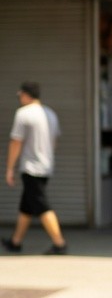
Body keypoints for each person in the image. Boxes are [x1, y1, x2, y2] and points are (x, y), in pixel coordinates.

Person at [3, 82, 67, 255]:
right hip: (46, 165)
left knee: (40, 204)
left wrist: (10, 168)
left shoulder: (23, 114)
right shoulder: (50, 113)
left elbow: (16, 142)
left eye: (20, 95)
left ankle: (59, 243)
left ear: (25, 95)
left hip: (31, 167)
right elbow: (54, 141)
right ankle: (15, 242)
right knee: (27, 205)